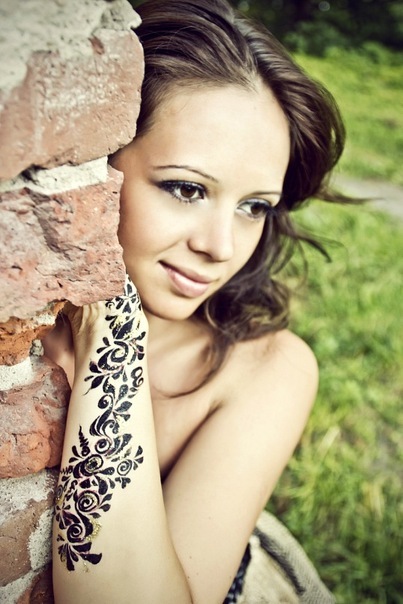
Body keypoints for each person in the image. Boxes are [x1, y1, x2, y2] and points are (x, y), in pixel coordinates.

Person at [46, 0, 345, 602]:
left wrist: (114, 337)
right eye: (186, 189)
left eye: (254, 206)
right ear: (92, 167)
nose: (221, 247)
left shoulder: (267, 368)